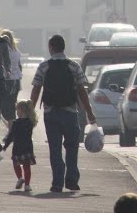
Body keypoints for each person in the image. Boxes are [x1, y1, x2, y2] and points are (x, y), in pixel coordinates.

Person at [29, 34, 97, 193]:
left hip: (51, 112)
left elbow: (36, 89)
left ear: (51, 48)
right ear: (63, 47)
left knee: (55, 148)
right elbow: (82, 91)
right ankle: (72, 180)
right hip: (70, 112)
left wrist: (30, 112)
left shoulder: (44, 66)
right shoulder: (74, 66)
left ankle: (57, 182)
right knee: (72, 147)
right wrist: (89, 112)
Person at [0, 98, 37, 193]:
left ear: (21, 110)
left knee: (16, 164)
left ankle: (20, 178)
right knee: (26, 166)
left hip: (17, 147)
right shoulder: (30, 122)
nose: (16, 112)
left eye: (17, 110)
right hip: (28, 147)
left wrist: (5, 146)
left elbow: (11, 135)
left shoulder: (16, 123)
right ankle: (27, 185)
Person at [1, 28, 22, 124]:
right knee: (11, 104)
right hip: (15, 79)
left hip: (9, 79)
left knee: (7, 106)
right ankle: (12, 127)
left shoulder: (5, 51)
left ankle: (11, 128)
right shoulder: (16, 50)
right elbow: (19, 65)